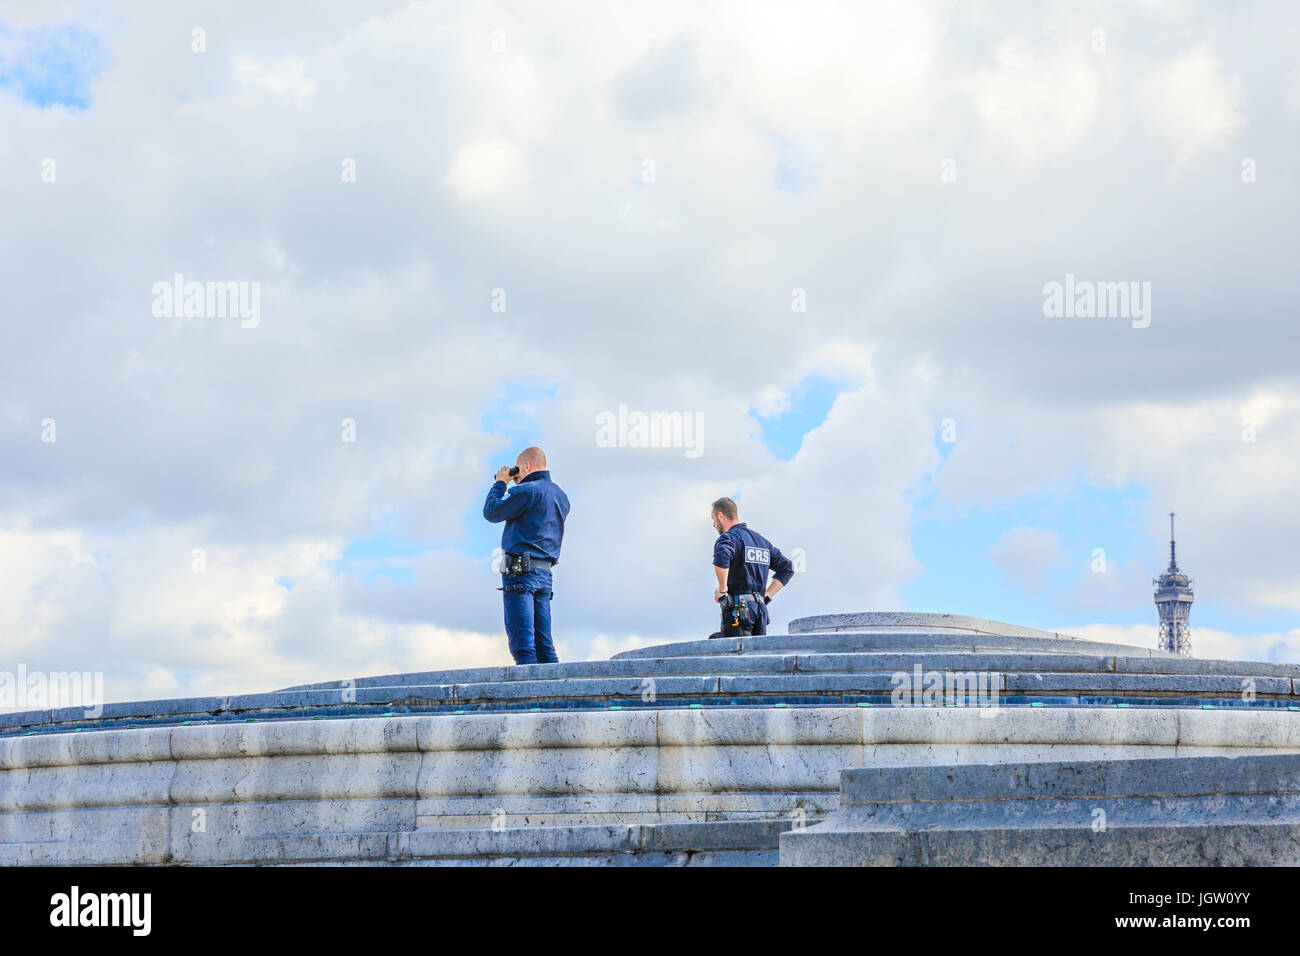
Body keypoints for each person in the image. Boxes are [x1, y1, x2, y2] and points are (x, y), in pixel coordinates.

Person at [483, 446, 570, 664]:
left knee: (524, 648)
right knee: (545, 647)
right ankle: (555, 694)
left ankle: (531, 696)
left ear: (526, 467)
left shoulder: (527, 491)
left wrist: (501, 483)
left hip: (520, 574)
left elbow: (491, 511)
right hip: (544, 575)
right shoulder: (560, 496)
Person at [708, 497, 794, 639]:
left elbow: (722, 556)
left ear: (721, 516)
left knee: (733, 653)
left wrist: (722, 590)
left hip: (738, 610)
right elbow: (787, 568)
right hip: (760, 611)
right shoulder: (762, 542)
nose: (713, 524)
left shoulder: (729, 537)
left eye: (713, 519)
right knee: (756, 655)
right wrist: (766, 596)